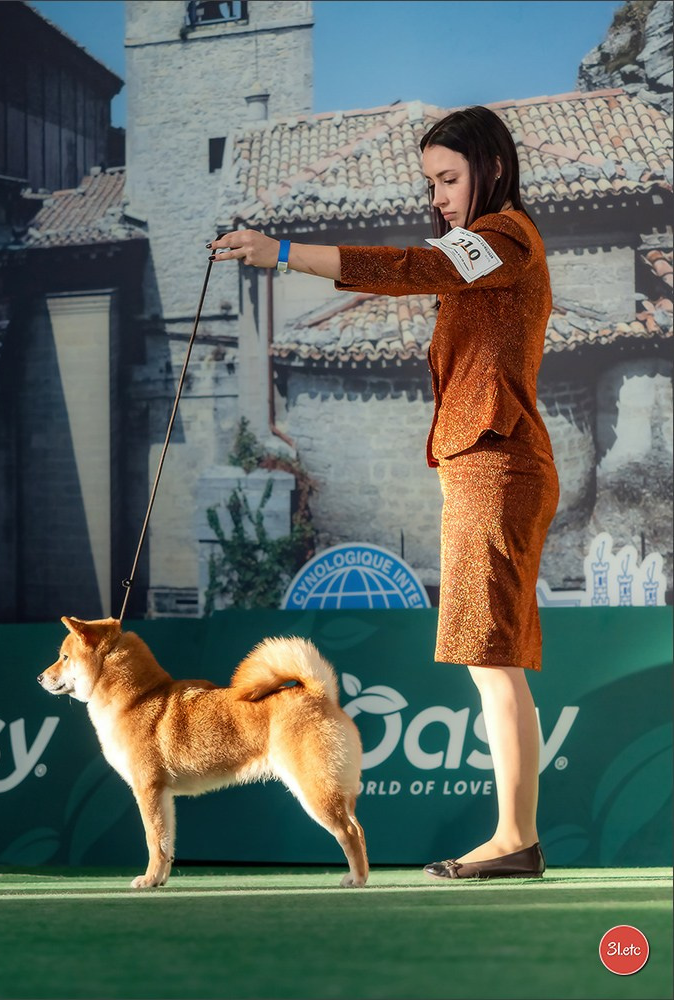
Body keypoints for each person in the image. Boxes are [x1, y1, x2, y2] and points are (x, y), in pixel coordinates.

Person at [208, 105, 559, 880]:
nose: (435, 195)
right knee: (490, 660)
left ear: (491, 171)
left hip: (496, 462)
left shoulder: (504, 237)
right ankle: (517, 837)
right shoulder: (492, 248)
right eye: (429, 180)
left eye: (448, 178)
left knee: (492, 658)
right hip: (485, 463)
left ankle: (515, 840)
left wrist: (285, 253)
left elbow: (413, 267)